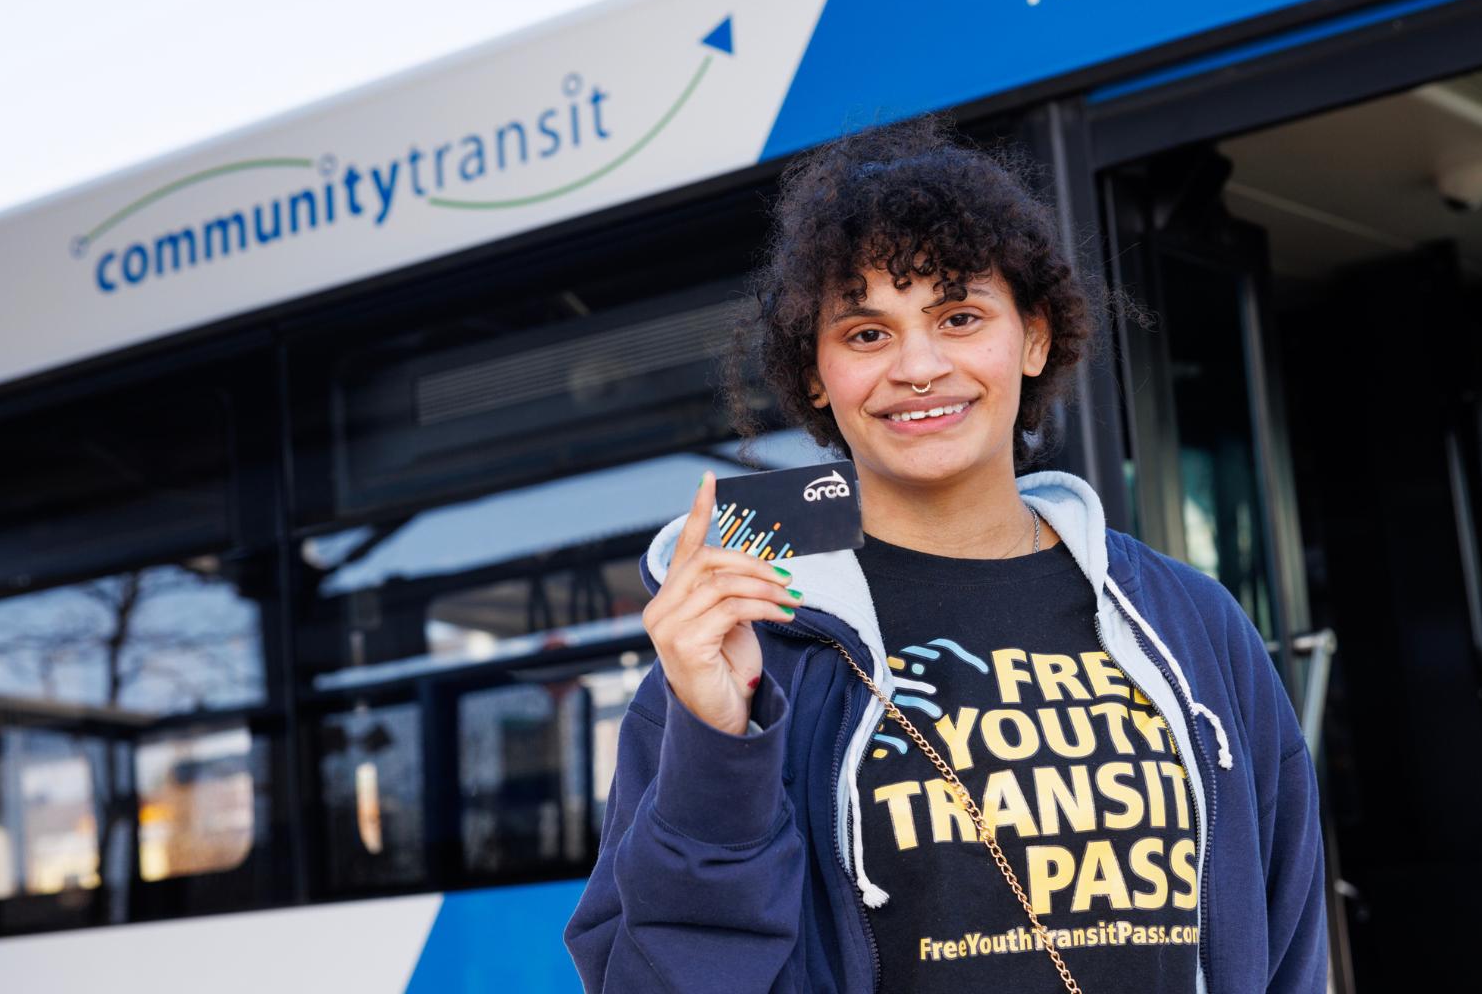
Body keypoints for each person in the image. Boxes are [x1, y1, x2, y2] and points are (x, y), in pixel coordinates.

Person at [564, 113, 1326, 994]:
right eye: (866, 333)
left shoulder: (1192, 624)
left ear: (1034, 337)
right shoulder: (749, 642)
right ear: (817, 374)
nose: (918, 366)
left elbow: (1288, 944)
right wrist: (717, 742)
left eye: (959, 315)